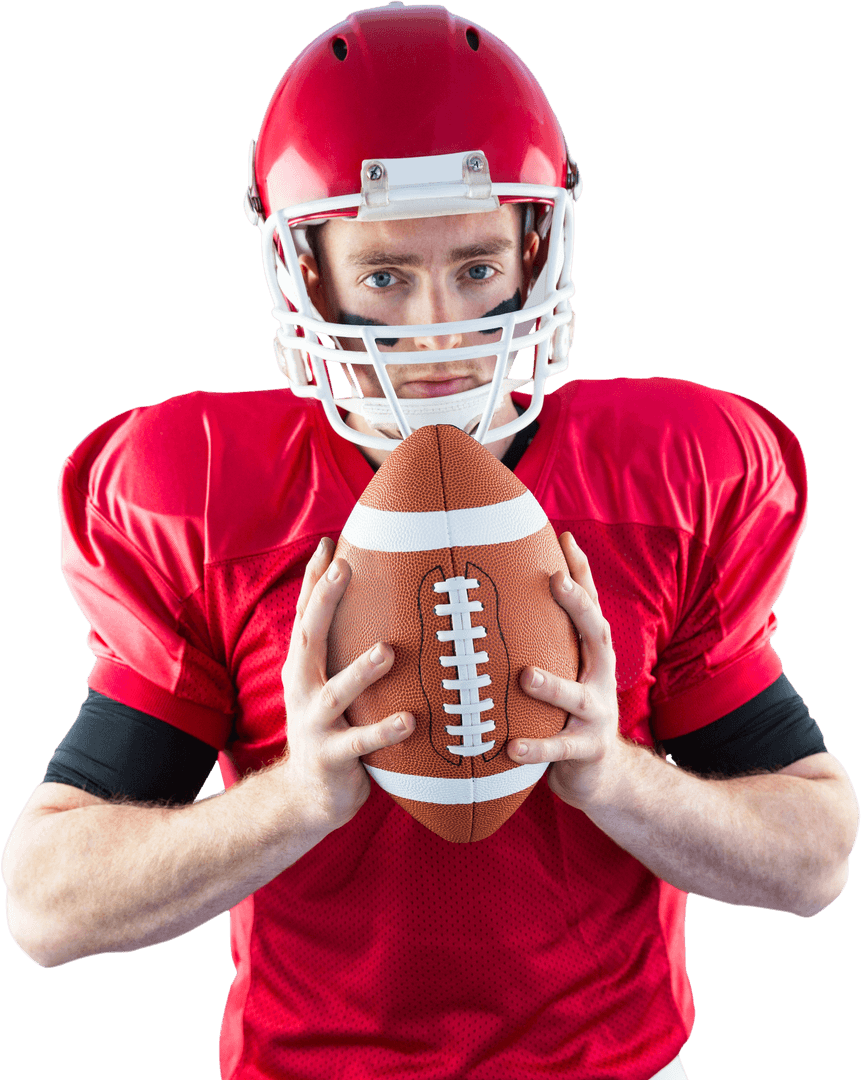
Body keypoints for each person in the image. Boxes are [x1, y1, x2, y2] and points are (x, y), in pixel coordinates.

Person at [2, 3, 858, 1079]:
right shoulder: (213, 496)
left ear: (537, 252)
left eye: (478, 268)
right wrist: (294, 800)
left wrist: (615, 777)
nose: (440, 333)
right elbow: (45, 900)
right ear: (305, 272)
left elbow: (816, 856)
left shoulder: (665, 478)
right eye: (388, 276)